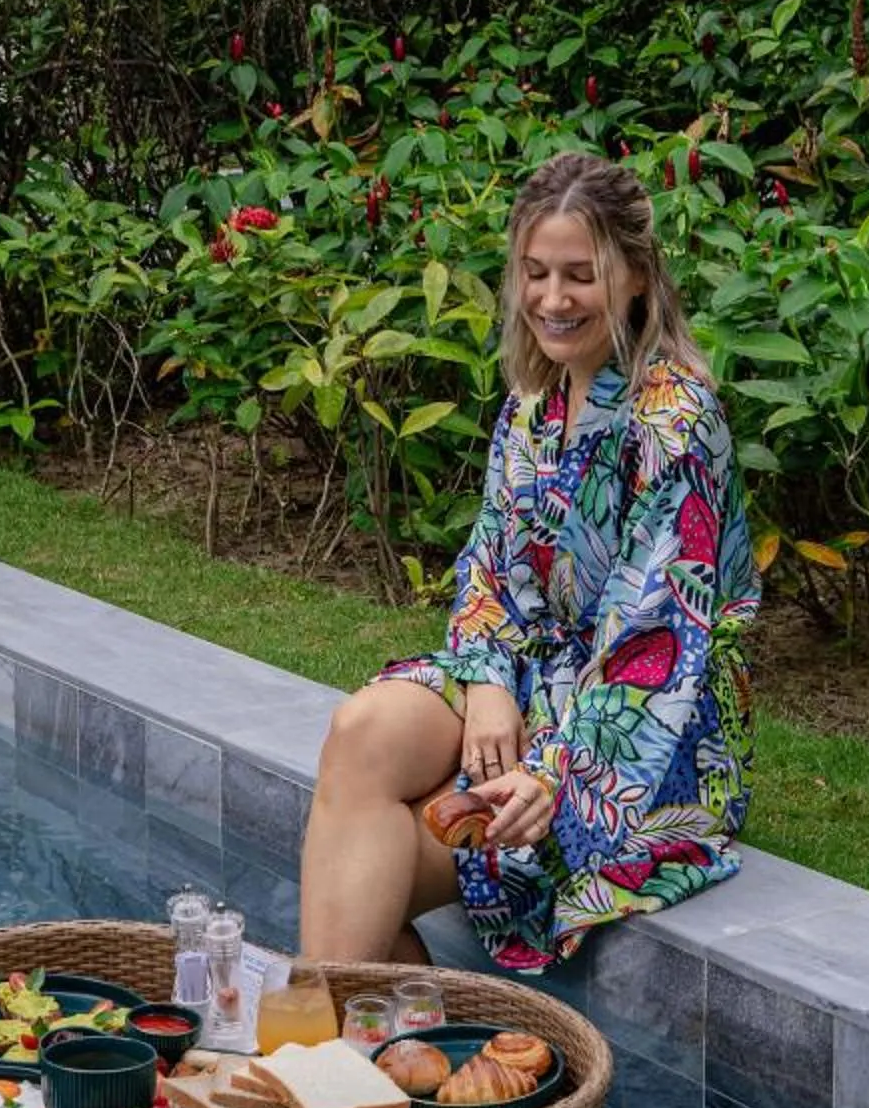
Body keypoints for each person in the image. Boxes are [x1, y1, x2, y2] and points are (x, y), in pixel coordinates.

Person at [299, 150, 758, 973]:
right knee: (360, 731)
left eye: (580, 274)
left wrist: (552, 773)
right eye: (535, 272)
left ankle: (346, 1052)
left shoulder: (675, 420)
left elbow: (656, 642)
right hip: (520, 672)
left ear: (638, 275)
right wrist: (481, 684)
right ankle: (372, 1055)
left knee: (395, 855)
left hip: (638, 731)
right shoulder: (535, 401)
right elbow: (487, 561)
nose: (553, 299)